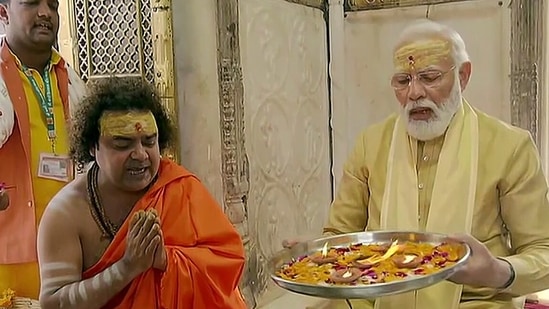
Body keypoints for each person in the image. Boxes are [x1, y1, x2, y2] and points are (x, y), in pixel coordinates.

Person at [286, 19, 549, 309]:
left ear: (463, 76)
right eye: (403, 81)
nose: (414, 93)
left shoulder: (510, 147)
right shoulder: (370, 144)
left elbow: (543, 251)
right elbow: (339, 237)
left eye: (429, 77)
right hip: (374, 301)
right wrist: (317, 252)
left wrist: (498, 271)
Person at [36, 77, 248, 309]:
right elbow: (53, 303)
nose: (140, 155)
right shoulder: (66, 213)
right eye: (122, 144)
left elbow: (227, 262)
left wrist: (165, 259)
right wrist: (126, 268)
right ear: (92, 147)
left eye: (149, 141)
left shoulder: (181, 188)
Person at [0, 0, 86, 299]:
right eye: (32, 3)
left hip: (71, 251)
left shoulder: (69, 78)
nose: (45, 13)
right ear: (3, 12)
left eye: (52, 4)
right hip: (10, 258)